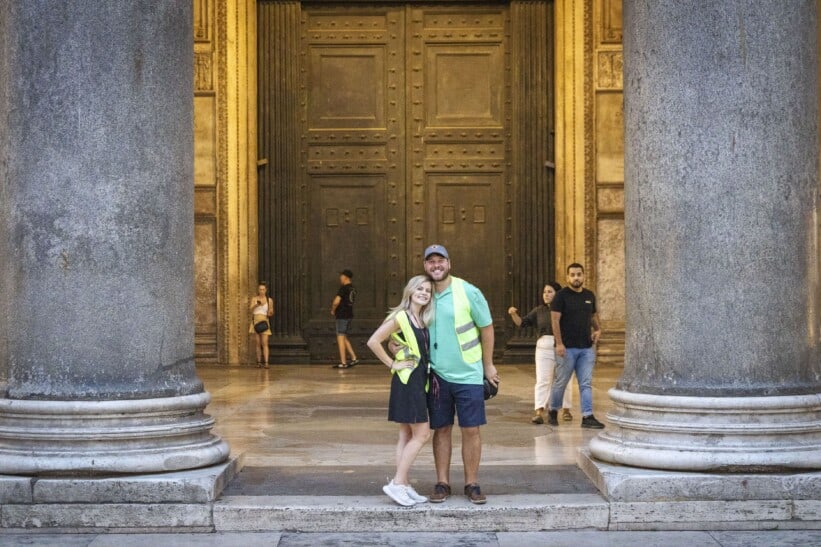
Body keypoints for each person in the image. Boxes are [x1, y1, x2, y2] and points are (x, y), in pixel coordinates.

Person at [422, 244, 498, 505]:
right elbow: (405, 323)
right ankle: (442, 482)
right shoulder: (423, 292)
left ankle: (471, 483)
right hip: (437, 375)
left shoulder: (468, 291)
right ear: (425, 266)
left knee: (471, 430)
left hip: (468, 374)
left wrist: (488, 366)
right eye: (430, 261)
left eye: (440, 260)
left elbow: (486, 328)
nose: (436, 265)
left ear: (449, 263)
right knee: (441, 429)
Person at [367, 275, 434, 506]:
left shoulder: (421, 318)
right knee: (423, 434)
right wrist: (392, 363)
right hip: (408, 381)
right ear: (410, 291)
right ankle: (396, 483)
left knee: (406, 434)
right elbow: (373, 341)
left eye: (427, 290)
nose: (424, 293)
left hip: (416, 380)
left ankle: (403, 484)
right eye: (420, 288)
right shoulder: (401, 316)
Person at [547, 263, 605, 429]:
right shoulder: (561, 297)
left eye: (579, 274)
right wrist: (559, 343)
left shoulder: (589, 295)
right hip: (566, 349)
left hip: (586, 348)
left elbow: (593, 315)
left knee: (585, 383)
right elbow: (555, 320)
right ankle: (553, 410)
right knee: (561, 382)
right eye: (572, 275)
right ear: (567, 277)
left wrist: (598, 329)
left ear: (583, 276)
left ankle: (587, 416)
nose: (576, 277)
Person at [508, 281, 574, 424]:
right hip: (544, 347)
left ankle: (566, 409)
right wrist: (513, 314)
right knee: (543, 379)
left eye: (550, 291)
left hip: (562, 346)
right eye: (545, 292)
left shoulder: (566, 309)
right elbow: (522, 322)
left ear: (557, 294)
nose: (546, 294)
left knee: (565, 379)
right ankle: (539, 410)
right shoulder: (539, 310)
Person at [330, 269, 359, 369]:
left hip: (342, 315)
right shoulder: (353, 289)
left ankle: (343, 362)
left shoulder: (344, 288)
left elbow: (336, 301)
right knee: (344, 337)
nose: (340, 278)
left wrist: (333, 310)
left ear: (345, 277)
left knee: (340, 337)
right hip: (349, 315)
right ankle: (354, 358)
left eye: (341, 276)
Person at [248, 281, 274, 369]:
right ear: (258, 290)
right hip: (256, 321)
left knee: (265, 343)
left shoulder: (269, 300)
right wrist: (256, 305)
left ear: (266, 290)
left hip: (264, 321)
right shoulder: (254, 299)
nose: (261, 291)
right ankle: (259, 362)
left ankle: (266, 362)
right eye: (260, 289)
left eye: (263, 289)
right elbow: (250, 309)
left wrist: (270, 313)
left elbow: (271, 311)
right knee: (257, 343)